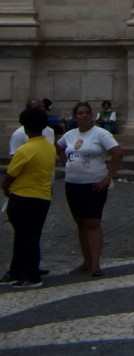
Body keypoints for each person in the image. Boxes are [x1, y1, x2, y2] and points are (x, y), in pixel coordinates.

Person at [56, 101, 122, 277]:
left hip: (94, 184)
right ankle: (86, 261)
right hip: (73, 184)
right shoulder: (69, 135)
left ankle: (95, 264)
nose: (84, 115)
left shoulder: (101, 133)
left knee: (93, 222)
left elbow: (117, 152)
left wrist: (108, 177)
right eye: (80, 113)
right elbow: (59, 146)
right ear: (75, 116)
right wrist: (66, 163)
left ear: (91, 115)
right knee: (80, 223)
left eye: (87, 113)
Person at [1, 105, 54, 288]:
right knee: (30, 236)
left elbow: (9, 175)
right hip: (43, 197)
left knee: (25, 237)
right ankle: (17, 272)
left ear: (24, 126)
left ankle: (31, 276)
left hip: (23, 197)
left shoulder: (25, 150)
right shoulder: (49, 147)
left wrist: (5, 188)